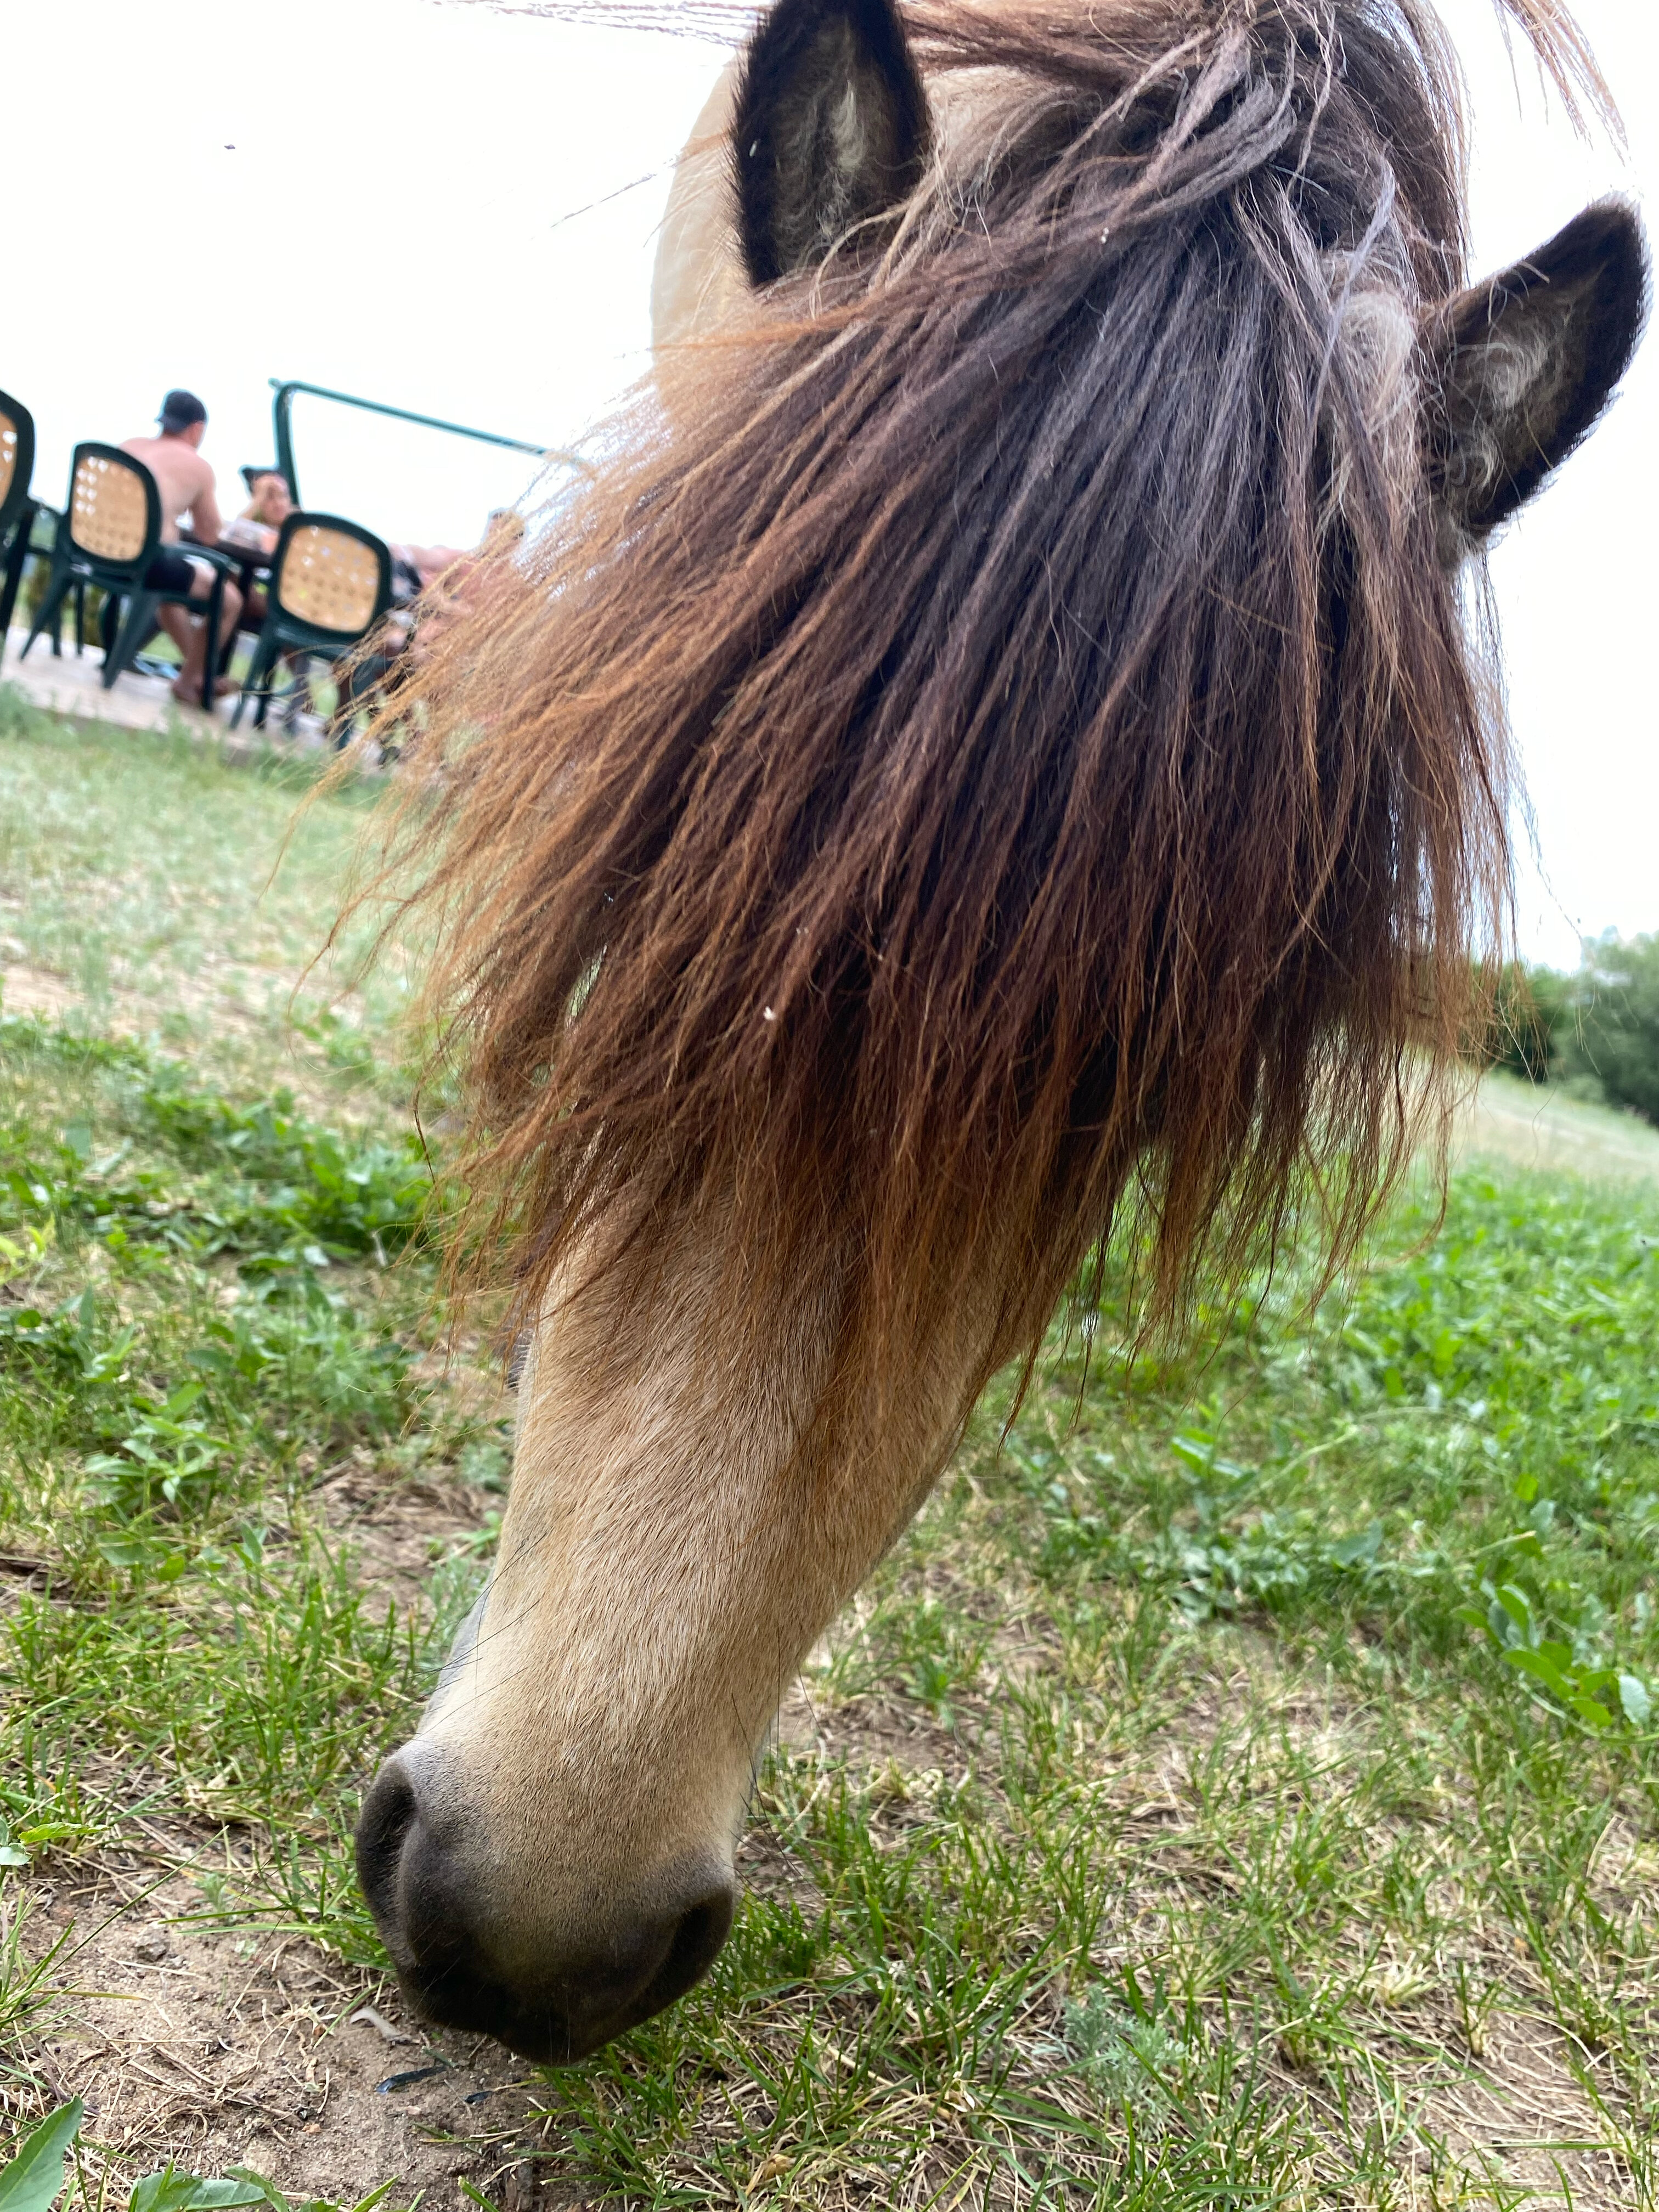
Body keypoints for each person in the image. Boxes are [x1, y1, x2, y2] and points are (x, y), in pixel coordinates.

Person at [120, 391, 243, 704]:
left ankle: (197, 676)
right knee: (229, 600)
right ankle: (190, 682)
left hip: (95, 550)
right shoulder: (197, 465)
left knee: (170, 599)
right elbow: (210, 534)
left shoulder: (128, 447)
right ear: (198, 429)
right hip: (146, 562)